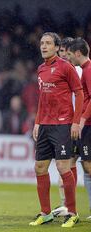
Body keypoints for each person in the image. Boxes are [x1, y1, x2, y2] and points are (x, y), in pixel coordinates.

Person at [29, 32, 83, 228]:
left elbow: (79, 92)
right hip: (44, 124)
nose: (43, 46)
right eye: (42, 43)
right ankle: (45, 213)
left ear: (56, 47)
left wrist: (76, 122)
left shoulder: (66, 67)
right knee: (40, 168)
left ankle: (72, 212)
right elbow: (42, 98)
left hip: (62, 124)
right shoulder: (41, 68)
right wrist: (37, 122)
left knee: (63, 167)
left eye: (48, 43)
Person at [51, 37, 82, 217]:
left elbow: (81, 96)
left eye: (64, 51)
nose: (62, 54)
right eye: (60, 51)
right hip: (62, 122)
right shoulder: (60, 70)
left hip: (74, 123)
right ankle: (66, 204)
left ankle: (70, 206)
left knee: (70, 164)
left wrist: (77, 121)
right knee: (65, 164)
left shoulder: (75, 70)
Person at [67, 38, 91, 220]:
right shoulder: (85, 70)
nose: (69, 59)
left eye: (69, 54)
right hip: (87, 123)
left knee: (88, 165)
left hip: (89, 125)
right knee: (85, 164)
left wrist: (82, 119)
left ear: (77, 53)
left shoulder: (88, 71)